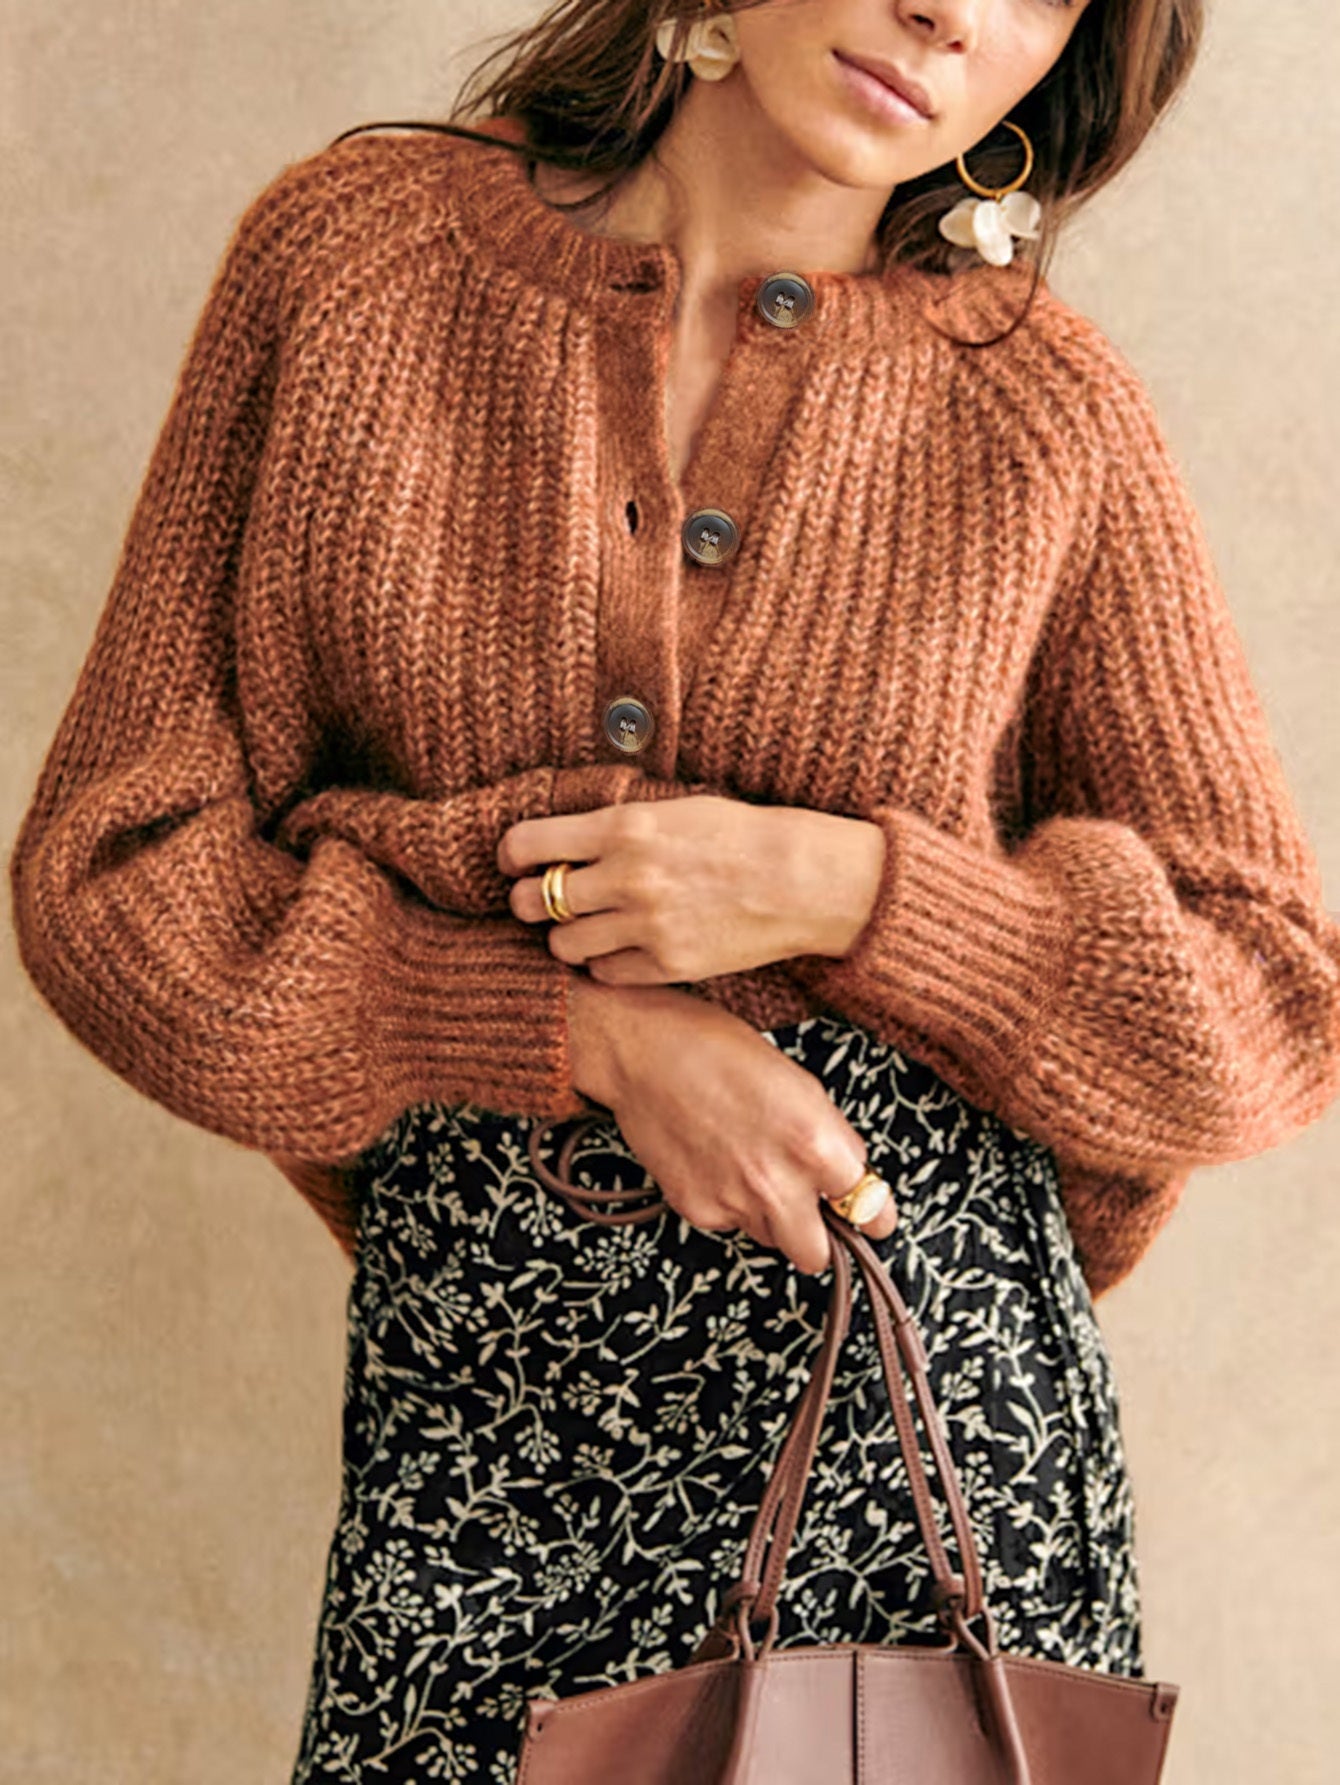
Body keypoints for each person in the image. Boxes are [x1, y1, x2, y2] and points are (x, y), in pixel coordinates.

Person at [10, 1, 1340, 1780]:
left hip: (911, 1416)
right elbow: (114, 870)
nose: (950, 12)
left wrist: (851, 892)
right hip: (474, 1420)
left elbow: (1272, 987)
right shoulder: (352, 273)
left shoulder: (1044, 415)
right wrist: (572, 1033)